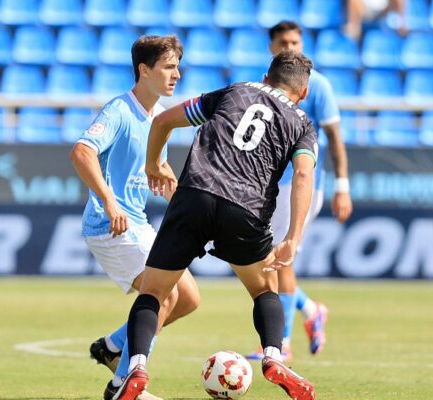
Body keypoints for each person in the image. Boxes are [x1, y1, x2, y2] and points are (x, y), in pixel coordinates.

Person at [111, 50, 320, 400]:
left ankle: (136, 367)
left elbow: (163, 122)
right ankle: (272, 355)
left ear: (266, 78)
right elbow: (303, 174)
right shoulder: (302, 124)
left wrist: (153, 165)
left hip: (195, 194)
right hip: (246, 209)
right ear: (304, 92)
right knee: (265, 291)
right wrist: (292, 238)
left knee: (153, 293)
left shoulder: (234, 91)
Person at [69, 35, 200, 400]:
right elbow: (81, 152)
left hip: (137, 222)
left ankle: (113, 347)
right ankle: (123, 385)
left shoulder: (157, 116)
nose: (176, 74)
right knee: (166, 295)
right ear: (144, 70)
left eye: (177, 66)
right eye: (168, 67)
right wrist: (108, 200)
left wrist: (162, 171)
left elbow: (152, 164)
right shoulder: (119, 111)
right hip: (110, 224)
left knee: (189, 298)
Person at [245, 21, 353, 362]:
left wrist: (343, 187)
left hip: (302, 185)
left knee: (277, 260)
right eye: (283, 42)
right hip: (269, 185)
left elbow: (335, 139)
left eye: (295, 41)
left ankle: (282, 343)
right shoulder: (265, 84)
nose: (290, 47)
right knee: (268, 262)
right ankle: (310, 310)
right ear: (272, 47)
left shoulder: (317, 84)